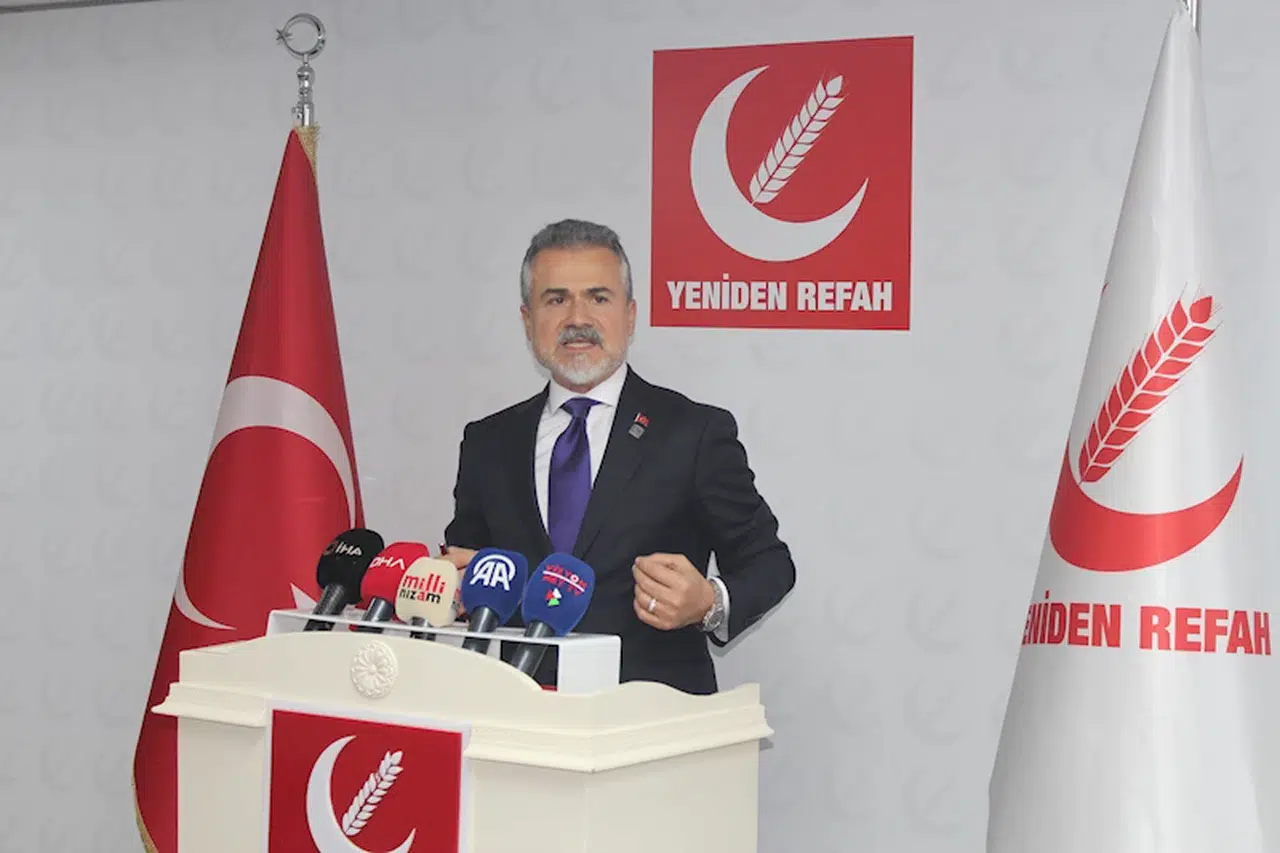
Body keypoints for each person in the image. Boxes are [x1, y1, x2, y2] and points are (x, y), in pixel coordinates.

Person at [441, 218, 795, 694]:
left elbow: (769, 563)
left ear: (630, 316)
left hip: (652, 714)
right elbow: (468, 567)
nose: (577, 318)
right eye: (556, 299)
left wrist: (709, 603)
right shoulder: (487, 442)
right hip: (520, 712)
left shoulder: (693, 433)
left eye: (598, 298)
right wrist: (457, 586)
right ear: (527, 321)